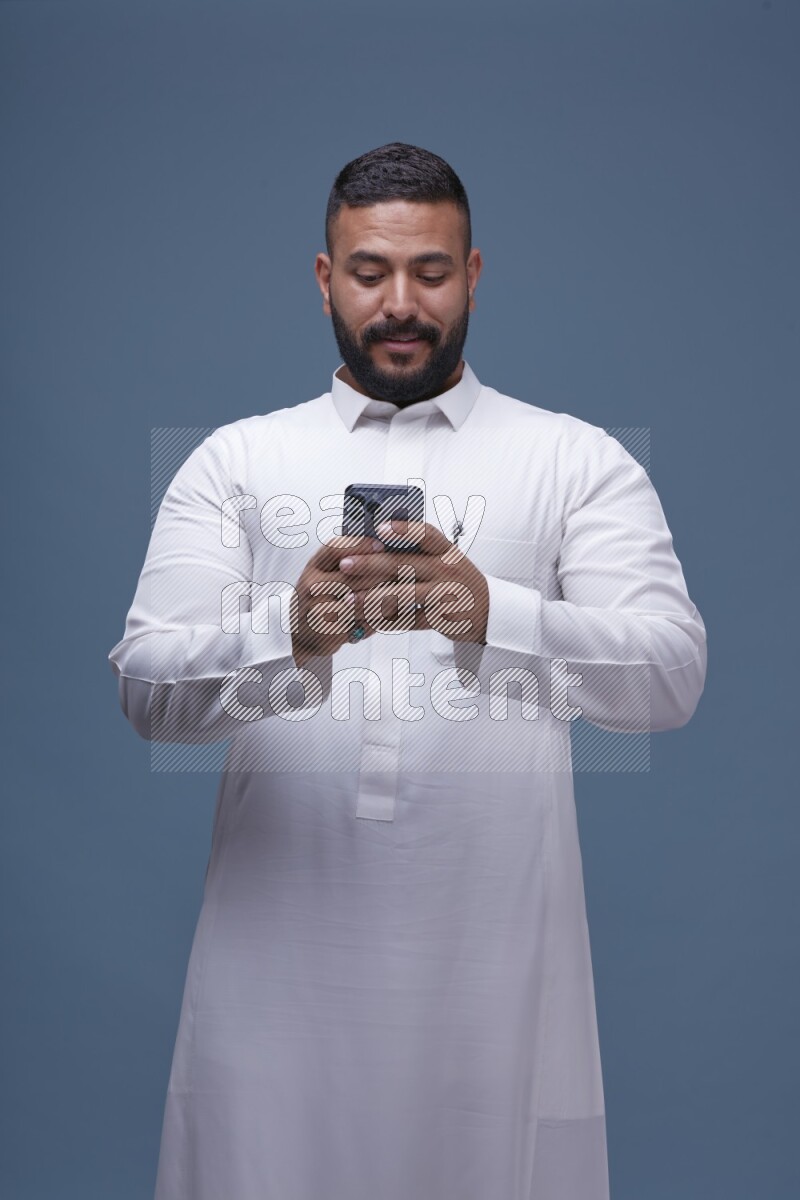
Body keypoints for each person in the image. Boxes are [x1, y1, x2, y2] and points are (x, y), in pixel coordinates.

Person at [109, 142, 707, 1200]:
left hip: (496, 984)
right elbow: (148, 693)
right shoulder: (236, 462)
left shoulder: (575, 459)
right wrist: (286, 634)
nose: (400, 302)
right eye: (369, 271)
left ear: (472, 274)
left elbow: (667, 677)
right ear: (323, 278)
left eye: (430, 272)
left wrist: (497, 617)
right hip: (274, 989)